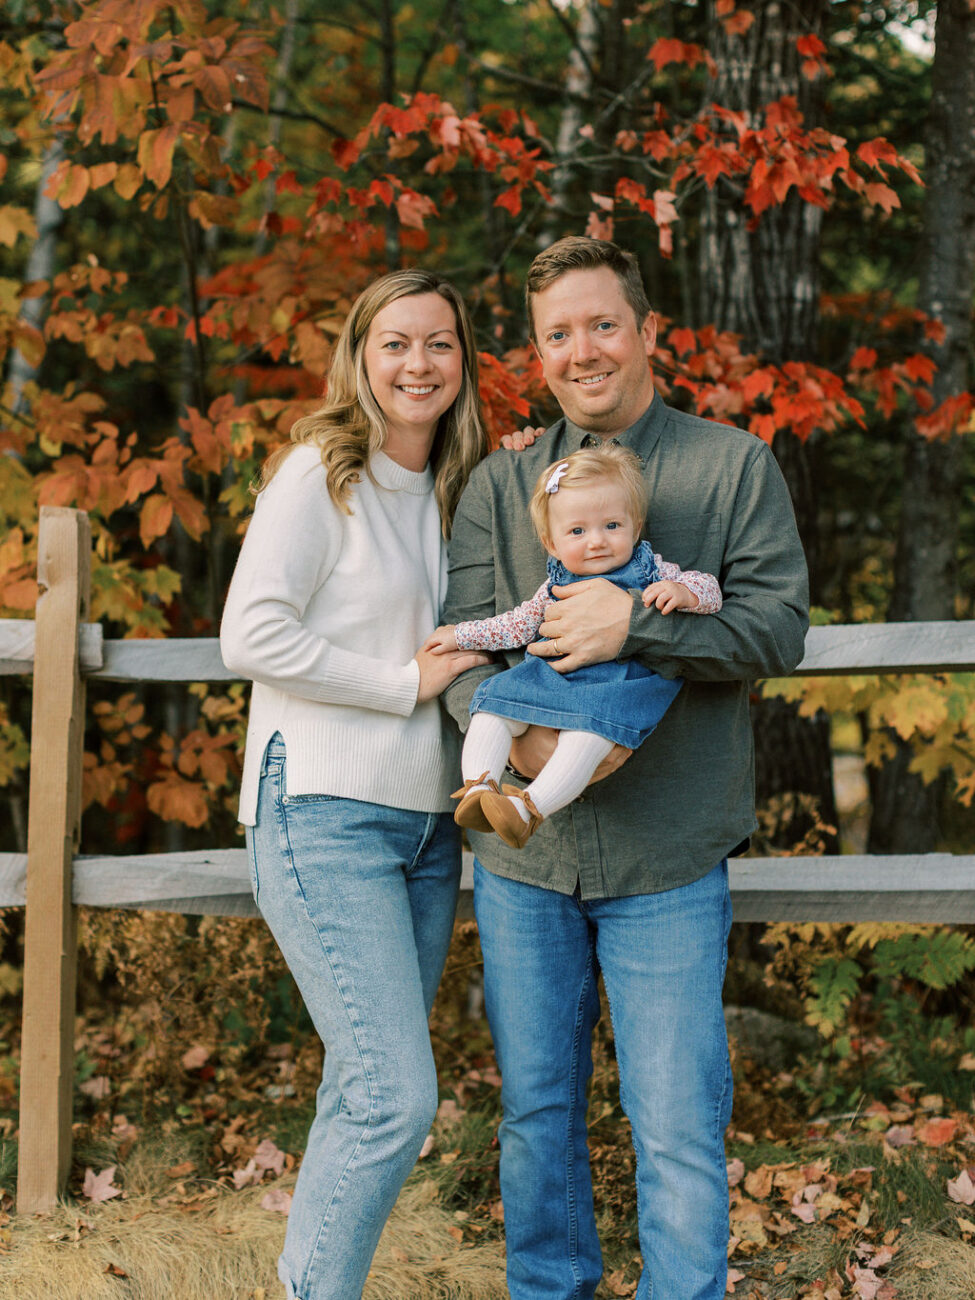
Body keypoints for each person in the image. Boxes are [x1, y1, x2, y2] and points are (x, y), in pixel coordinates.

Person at [441, 235, 809, 1300]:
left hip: (668, 853)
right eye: (558, 333)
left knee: (677, 1117)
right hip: (524, 864)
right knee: (536, 1110)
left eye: (603, 324)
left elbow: (777, 629)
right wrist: (523, 744)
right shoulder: (500, 481)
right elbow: (462, 644)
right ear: (538, 353)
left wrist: (635, 629)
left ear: (647, 331)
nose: (583, 350)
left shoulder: (730, 465)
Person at [220, 268, 492, 1300]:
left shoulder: (465, 489)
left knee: (361, 1085)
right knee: (394, 1096)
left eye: (439, 343)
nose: (418, 364)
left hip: (428, 826)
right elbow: (250, 634)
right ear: (360, 358)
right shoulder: (319, 472)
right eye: (395, 343)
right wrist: (396, 683)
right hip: (321, 808)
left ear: (463, 361)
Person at [428, 443, 721, 848]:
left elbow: (710, 589)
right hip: (551, 679)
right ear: (552, 544)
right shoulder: (553, 585)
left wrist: (685, 593)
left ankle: (527, 810)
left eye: (612, 525)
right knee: (493, 704)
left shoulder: (653, 570)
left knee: (586, 739)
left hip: (614, 689)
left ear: (635, 527)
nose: (597, 541)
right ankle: (479, 788)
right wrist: (461, 634)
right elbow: (515, 626)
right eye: (578, 531)